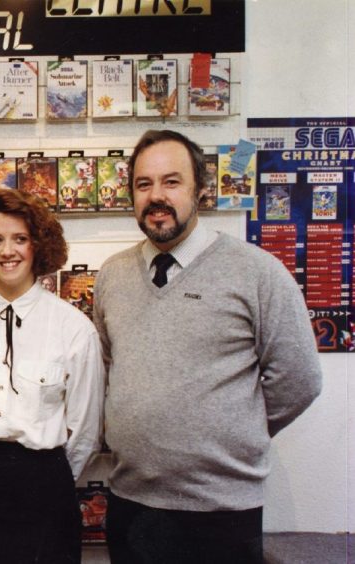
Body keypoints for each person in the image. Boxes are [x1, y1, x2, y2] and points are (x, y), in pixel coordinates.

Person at [92, 130, 322, 564]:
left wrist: (235, 430)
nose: (156, 196)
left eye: (172, 181)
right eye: (144, 184)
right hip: (132, 503)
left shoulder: (257, 272)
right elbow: (108, 367)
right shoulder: (113, 275)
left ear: (201, 189)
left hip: (221, 510)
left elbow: (299, 379)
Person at [0, 188, 105, 564]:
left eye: (19, 239)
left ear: (38, 245)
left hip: (44, 485)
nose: (7, 251)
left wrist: (49, 477)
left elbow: (85, 429)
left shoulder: (74, 328)